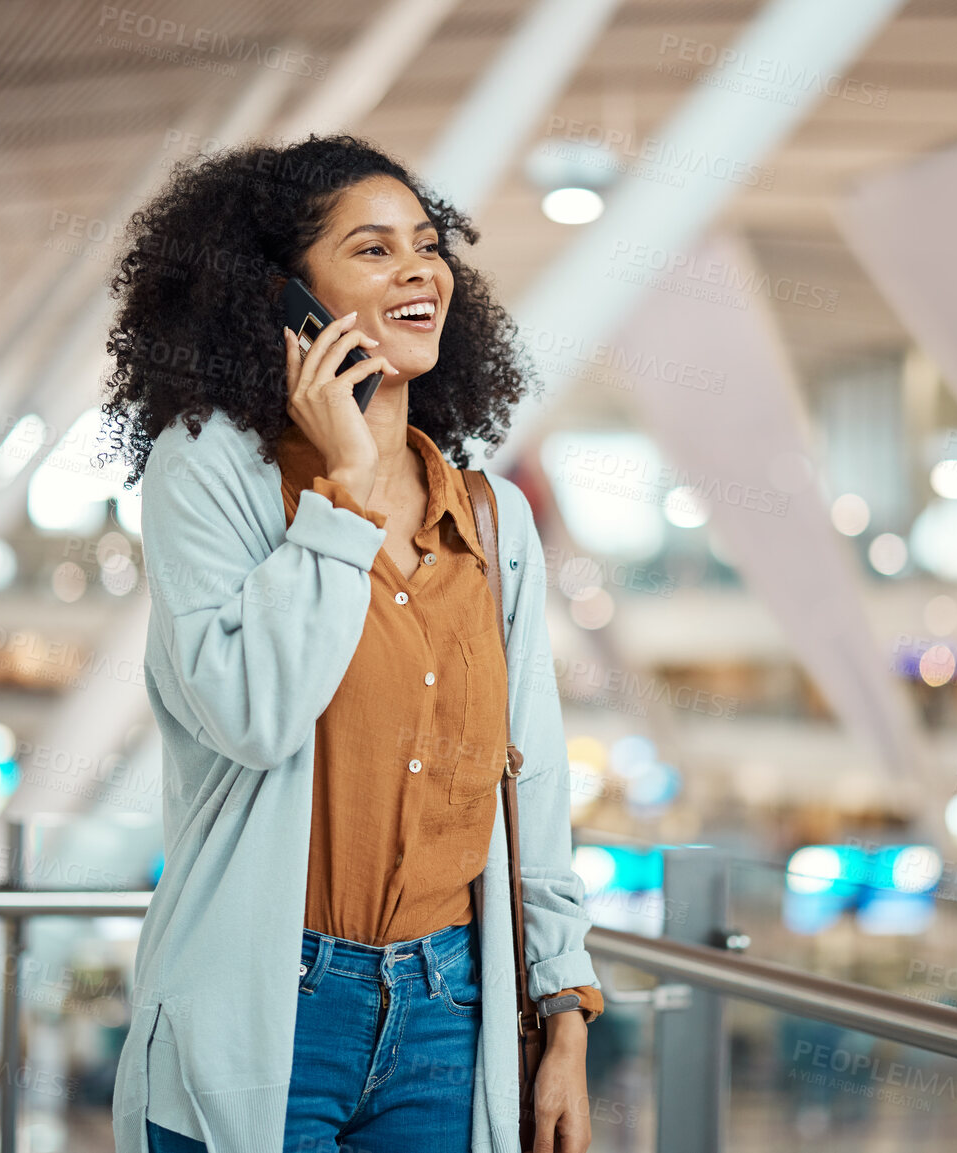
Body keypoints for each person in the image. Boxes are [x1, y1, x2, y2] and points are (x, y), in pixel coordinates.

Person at [102, 133, 603, 1153]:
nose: (419, 269)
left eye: (426, 246)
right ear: (279, 299)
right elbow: (254, 714)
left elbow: (534, 788)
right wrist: (342, 485)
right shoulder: (210, 478)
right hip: (268, 1003)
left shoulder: (492, 521)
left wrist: (563, 1019)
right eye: (372, 251)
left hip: (446, 1016)